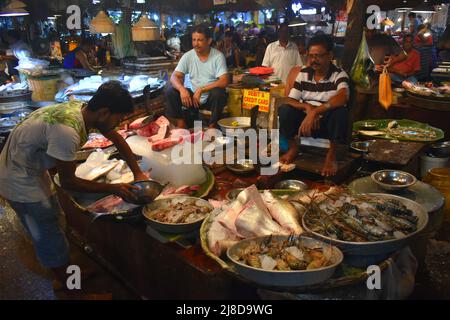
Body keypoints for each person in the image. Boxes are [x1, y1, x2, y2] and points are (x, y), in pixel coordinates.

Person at [0, 81, 148, 291]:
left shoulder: (82, 108)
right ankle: (74, 290)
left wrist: (138, 172)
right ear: (105, 113)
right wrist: (114, 189)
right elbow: (68, 181)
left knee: (55, 222)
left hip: (28, 169)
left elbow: (114, 136)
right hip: (18, 181)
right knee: (49, 237)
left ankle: (67, 273)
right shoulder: (67, 132)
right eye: (119, 118)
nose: (119, 123)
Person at [278, 35, 350, 177]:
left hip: (326, 124)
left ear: (330, 55)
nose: (313, 60)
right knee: (285, 110)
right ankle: (293, 148)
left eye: (318, 56)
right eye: (310, 56)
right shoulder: (304, 73)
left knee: (340, 112)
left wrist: (317, 111)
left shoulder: (338, 74)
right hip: (305, 124)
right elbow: (289, 100)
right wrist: (308, 109)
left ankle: (331, 155)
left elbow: (343, 97)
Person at [165, 24, 229, 129]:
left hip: (210, 100)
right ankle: (181, 124)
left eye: (200, 40)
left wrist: (201, 90)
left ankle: (212, 126)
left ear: (209, 41)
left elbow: (224, 81)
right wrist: (182, 89)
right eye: (194, 40)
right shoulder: (188, 56)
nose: (196, 44)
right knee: (171, 91)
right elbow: (174, 77)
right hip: (194, 99)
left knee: (219, 93)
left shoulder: (218, 56)